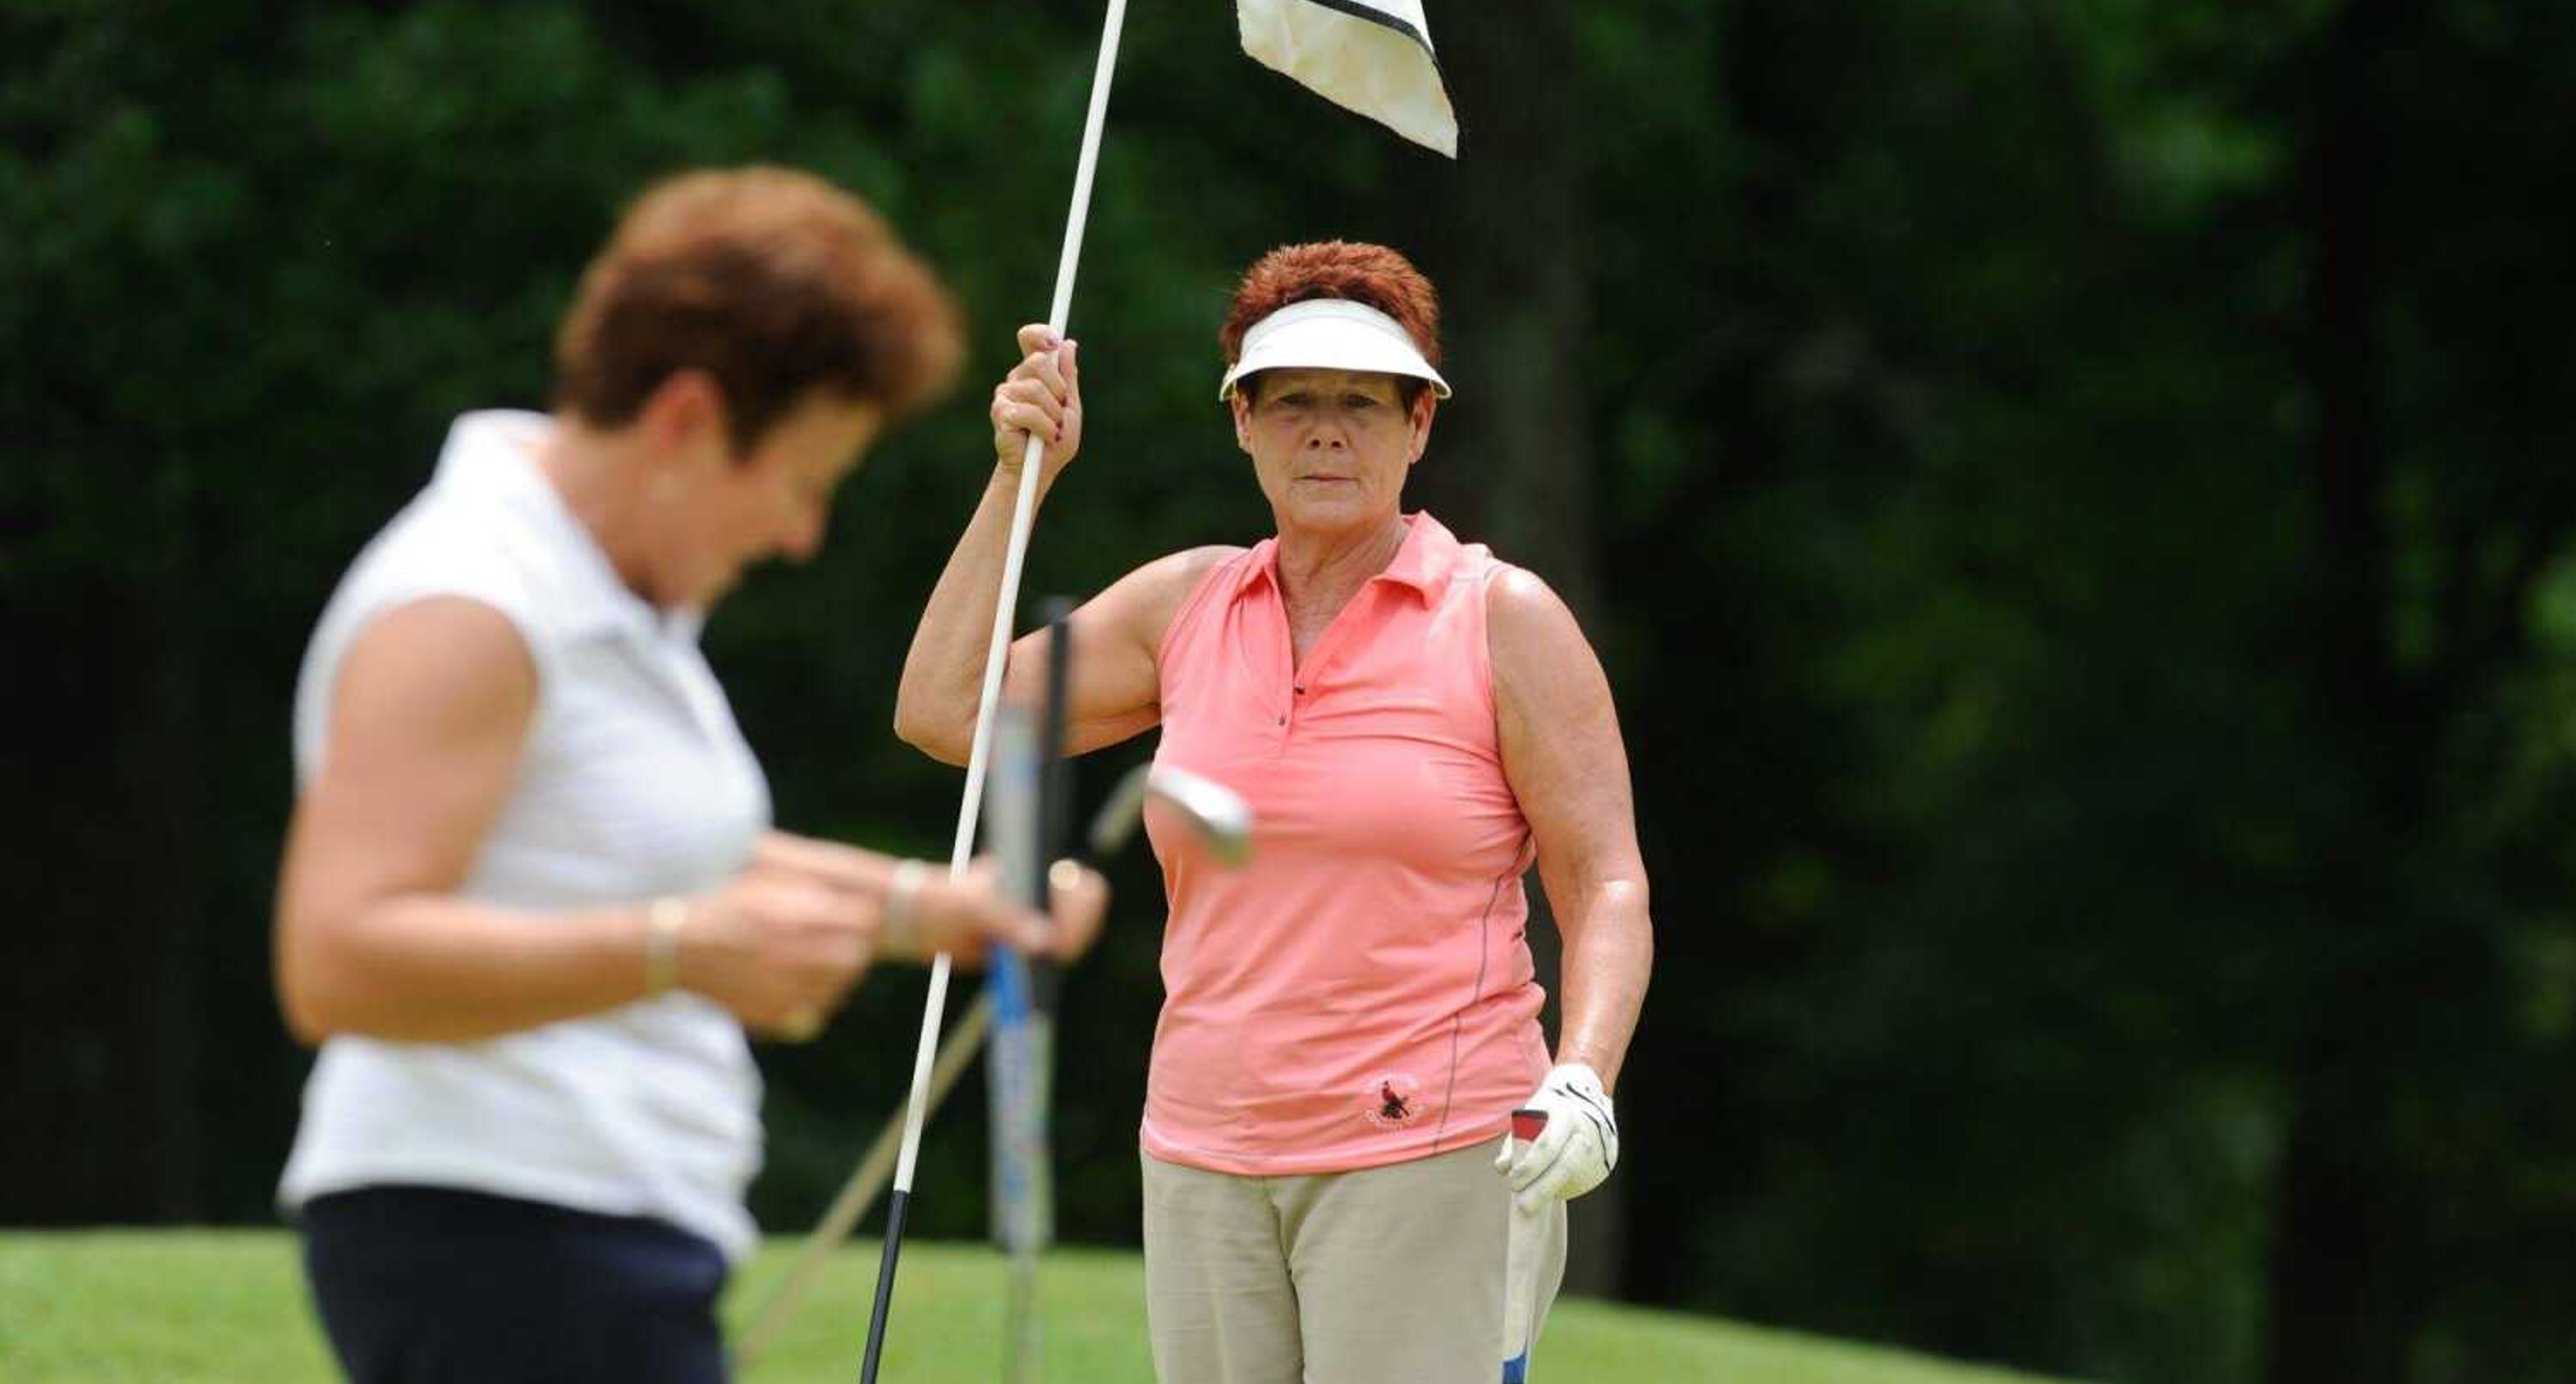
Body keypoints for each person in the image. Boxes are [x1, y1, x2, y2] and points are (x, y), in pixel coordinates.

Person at [272, 166, 1108, 1384]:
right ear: (685, 423)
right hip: (492, 1233)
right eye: (802, 482)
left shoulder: (606, 598)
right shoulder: (472, 605)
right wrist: (679, 949)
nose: (800, 535)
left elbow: (640, 847)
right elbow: (337, 957)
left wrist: (929, 910)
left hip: (592, 1243)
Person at [896, 239, 1652, 1383]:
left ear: (1420, 426)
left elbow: (1604, 883)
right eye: (1292, 401)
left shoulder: (1503, 618)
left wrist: (1585, 1073)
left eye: (1362, 403)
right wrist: (1022, 478)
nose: (1327, 430)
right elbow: (948, 711)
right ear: (1243, 422)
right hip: (1203, 1149)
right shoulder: (1188, 604)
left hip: (1429, 1153)